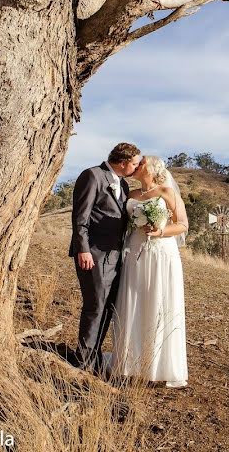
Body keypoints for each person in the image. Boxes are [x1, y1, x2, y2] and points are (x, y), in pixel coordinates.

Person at [111, 155, 189, 388]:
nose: (137, 165)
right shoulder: (131, 195)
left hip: (161, 254)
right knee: (134, 302)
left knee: (159, 303)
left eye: (142, 162)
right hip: (135, 253)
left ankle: (160, 365)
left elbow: (183, 225)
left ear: (153, 169)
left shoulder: (167, 193)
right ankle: (130, 364)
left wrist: (160, 231)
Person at [70, 142, 142, 372]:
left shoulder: (123, 183)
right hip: (94, 254)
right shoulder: (93, 176)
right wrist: (83, 249)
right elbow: (81, 217)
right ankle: (83, 361)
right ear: (123, 162)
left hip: (116, 256)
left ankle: (94, 356)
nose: (136, 167)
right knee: (94, 306)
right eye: (134, 163)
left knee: (108, 308)